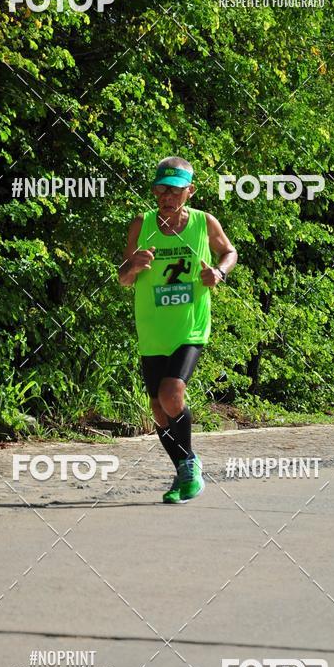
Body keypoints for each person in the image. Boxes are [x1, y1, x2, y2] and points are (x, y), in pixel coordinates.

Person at [118, 156, 238, 503]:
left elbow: (229, 251)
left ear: (190, 191)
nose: (165, 197)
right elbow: (124, 278)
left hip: (190, 326)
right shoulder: (142, 224)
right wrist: (134, 266)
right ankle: (186, 469)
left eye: (173, 191)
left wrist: (219, 273)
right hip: (153, 329)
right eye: (159, 191)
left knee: (172, 394)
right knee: (158, 408)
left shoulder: (204, 223)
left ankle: (188, 470)